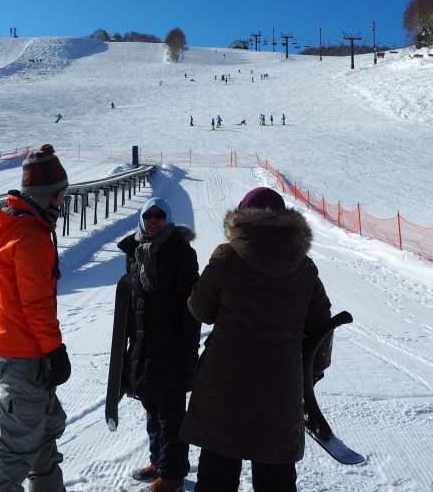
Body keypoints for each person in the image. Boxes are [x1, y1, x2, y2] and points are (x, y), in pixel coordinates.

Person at [180, 187, 332, 492]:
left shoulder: (226, 256)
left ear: (242, 216)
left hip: (225, 387)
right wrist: (312, 371)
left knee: (217, 475)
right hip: (280, 389)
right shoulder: (304, 268)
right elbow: (322, 326)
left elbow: (200, 309)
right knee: (276, 479)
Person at [0, 144, 72, 492]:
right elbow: (36, 303)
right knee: (18, 446)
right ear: (47, 195)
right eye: (60, 195)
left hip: (13, 348)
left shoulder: (13, 227)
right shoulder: (30, 236)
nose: (62, 202)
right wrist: (55, 350)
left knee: (44, 432)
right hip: (24, 352)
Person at [117, 198, 201, 492]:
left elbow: (192, 308)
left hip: (171, 347)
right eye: (149, 215)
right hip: (143, 345)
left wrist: (188, 352)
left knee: (171, 416)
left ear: (168, 219)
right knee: (152, 408)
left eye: (160, 215)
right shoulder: (136, 252)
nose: (154, 220)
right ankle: (158, 462)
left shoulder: (181, 253)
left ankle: (173, 475)